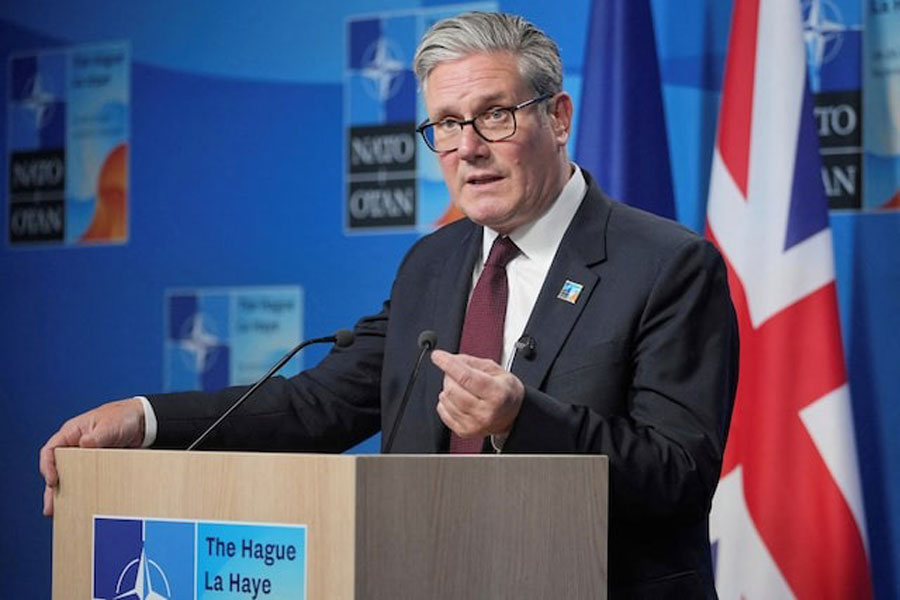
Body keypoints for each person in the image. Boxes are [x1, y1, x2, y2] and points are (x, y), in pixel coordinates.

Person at [40, 11, 738, 598]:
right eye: (447, 124)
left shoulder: (666, 266)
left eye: (494, 116)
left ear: (558, 117)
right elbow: (317, 407)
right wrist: (146, 420)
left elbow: (677, 475)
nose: (468, 148)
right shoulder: (432, 263)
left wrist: (520, 419)